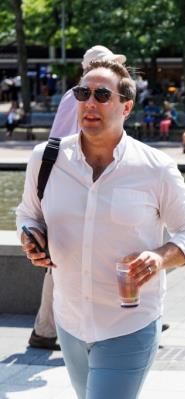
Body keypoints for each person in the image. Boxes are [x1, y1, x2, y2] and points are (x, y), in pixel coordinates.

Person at [16, 60, 185, 399]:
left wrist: (159, 257)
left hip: (129, 325)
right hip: (69, 321)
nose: (90, 102)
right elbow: (28, 214)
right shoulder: (45, 159)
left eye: (102, 95)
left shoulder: (155, 167)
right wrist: (29, 236)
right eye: (82, 93)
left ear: (127, 106)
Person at [28, 45, 127, 352]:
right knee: (60, 257)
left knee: (61, 257)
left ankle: (47, 330)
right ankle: (46, 329)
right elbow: (59, 143)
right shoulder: (80, 96)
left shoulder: (85, 95)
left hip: (80, 180)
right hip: (74, 182)